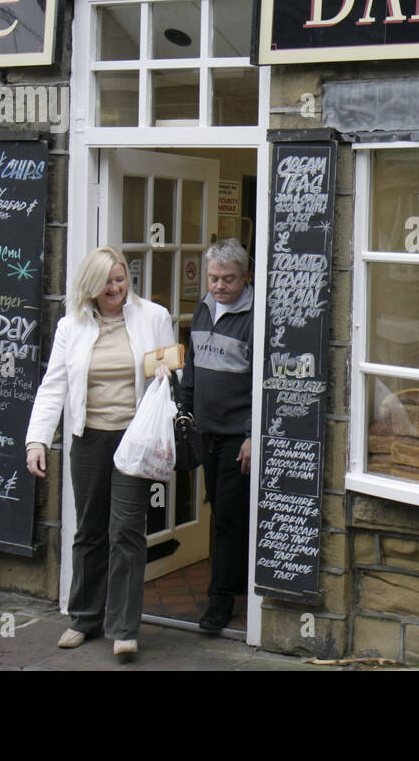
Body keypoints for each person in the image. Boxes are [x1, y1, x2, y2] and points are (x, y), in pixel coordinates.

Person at [24, 245, 174, 659]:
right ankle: (83, 618)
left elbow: (170, 375)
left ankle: (124, 628)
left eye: (121, 279)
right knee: (89, 529)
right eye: (107, 281)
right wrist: (37, 440)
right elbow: (53, 385)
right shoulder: (71, 327)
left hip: (134, 439)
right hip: (88, 438)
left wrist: (166, 375)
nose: (115, 288)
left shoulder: (153, 318)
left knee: (126, 530)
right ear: (91, 285)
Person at [181, 238, 254, 633]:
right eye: (213, 278)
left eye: (227, 279)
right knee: (219, 512)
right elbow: (192, 367)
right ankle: (230, 585)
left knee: (227, 517)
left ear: (244, 276)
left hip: (235, 436)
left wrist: (251, 434)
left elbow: (264, 382)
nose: (219, 286)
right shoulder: (203, 309)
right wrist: (183, 410)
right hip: (204, 431)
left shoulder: (256, 316)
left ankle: (219, 602)